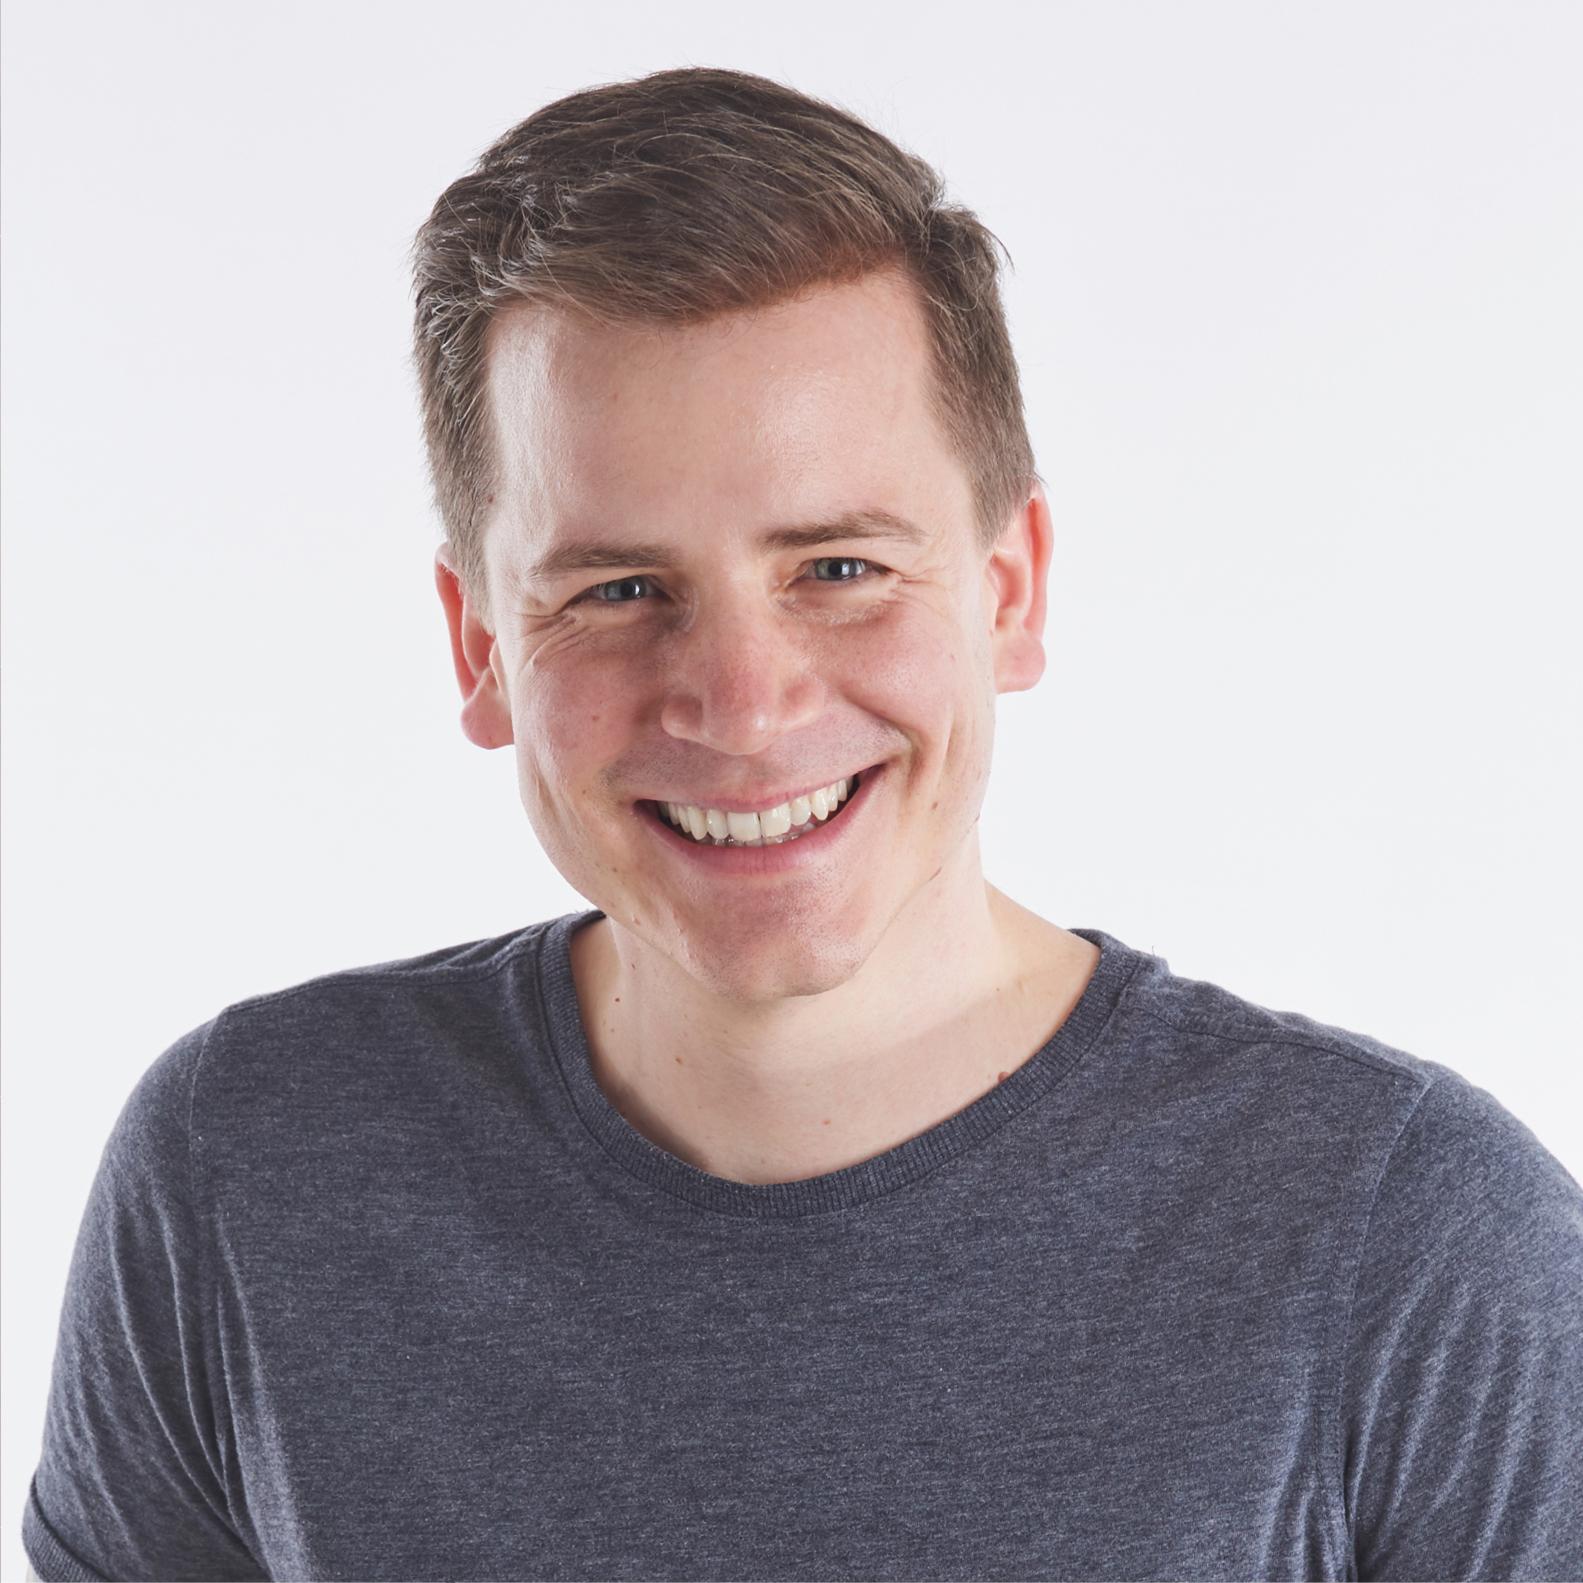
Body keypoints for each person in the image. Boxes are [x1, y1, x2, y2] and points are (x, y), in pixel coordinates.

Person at [21, 65, 1583, 1583]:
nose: (744, 705)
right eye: (617, 590)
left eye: (840, 568)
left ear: (1010, 591)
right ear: (480, 644)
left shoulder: (1412, 1242)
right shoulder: (249, 1168)